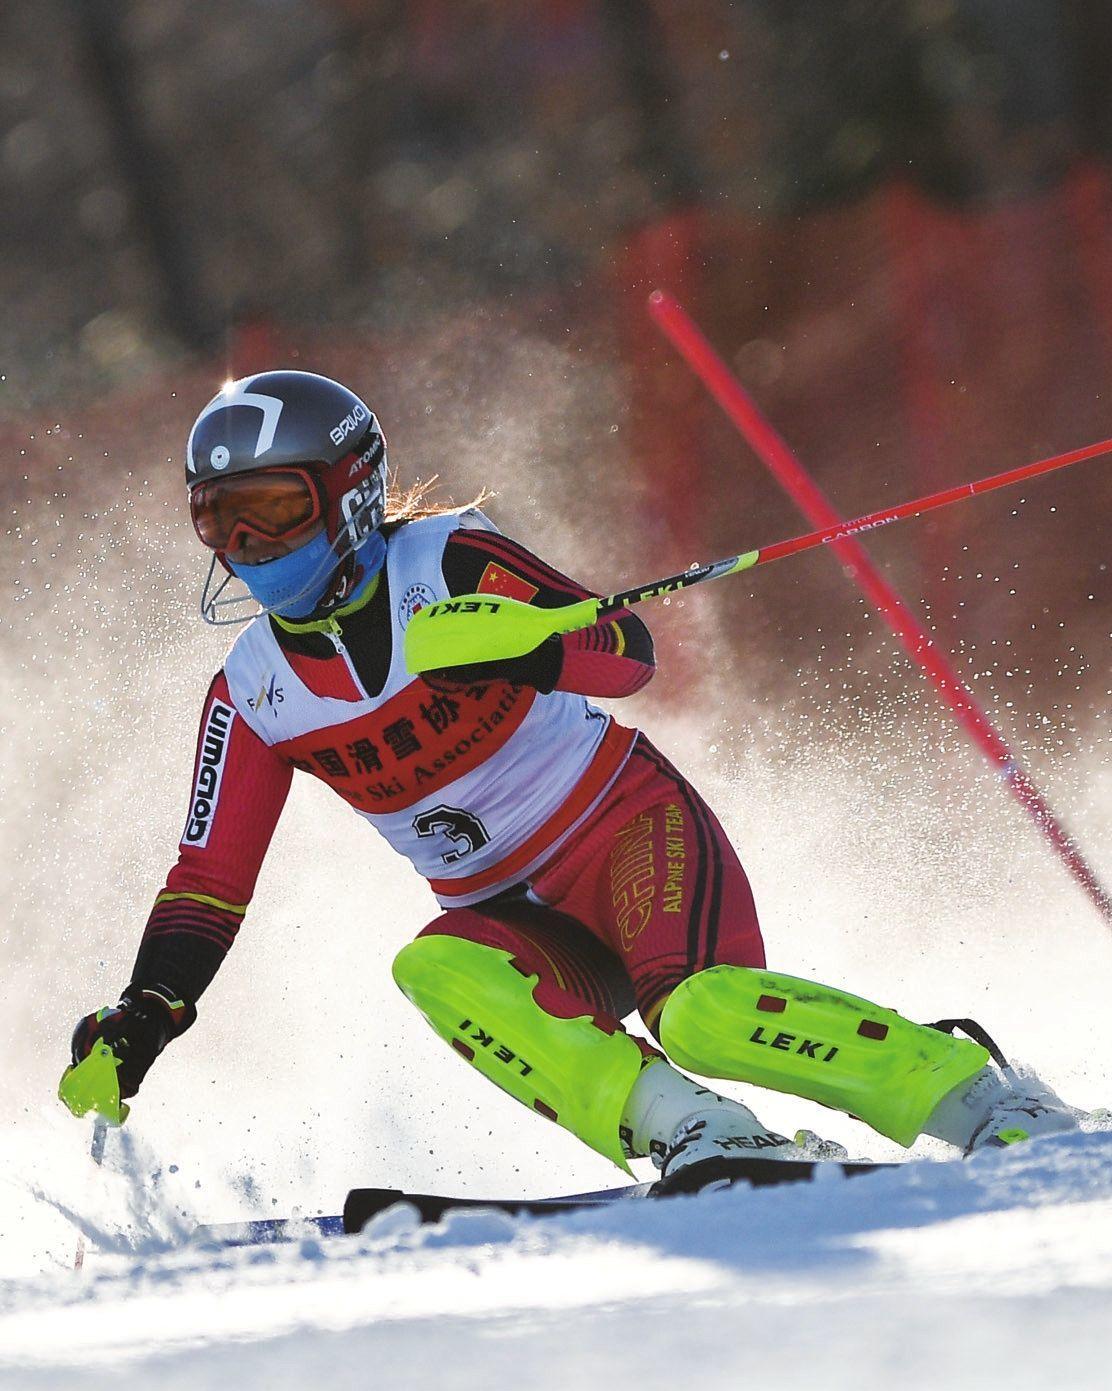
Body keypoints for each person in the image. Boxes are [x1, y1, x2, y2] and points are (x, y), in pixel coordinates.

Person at [63, 370, 1084, 1184]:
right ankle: (696, 1133)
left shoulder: (448, 559)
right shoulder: (251, 691)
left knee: (700, 1015)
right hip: (512, 912)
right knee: (432, 968)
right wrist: (146, 1013)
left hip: (623, 831)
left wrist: (524, 649)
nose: (246, 548)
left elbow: (626, 651)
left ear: (352, 494)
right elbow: (206, 882)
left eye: (273, 512)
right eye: (218, 521)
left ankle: (979, 1099)